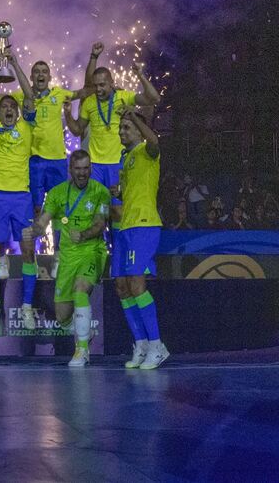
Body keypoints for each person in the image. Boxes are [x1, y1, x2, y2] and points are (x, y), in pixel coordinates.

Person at [23, 150, 109, 367]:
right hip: (68, 257)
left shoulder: (100, 192)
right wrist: (34, 231)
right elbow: (43, 222)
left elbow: (100, 224)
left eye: (86, 168)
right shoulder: (56, 193)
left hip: (92, 252)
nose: (82, 173)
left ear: (90, 168)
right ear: (70, 170)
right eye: (78, 169)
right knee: (62, 318)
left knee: (81, 290)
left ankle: (82, 350)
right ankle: (83, 330)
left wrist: (84, 234)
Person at [0, 46, 38, 330]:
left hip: (22, 198)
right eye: (3, 107)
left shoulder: (26, 127)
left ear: (16, 113)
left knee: (28, 250)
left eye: (11, 108)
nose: (7, 110)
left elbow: (29, 96)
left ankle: (27, 306)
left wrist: (15, 64)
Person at [11, 55, 96, 246]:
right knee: (35, 208)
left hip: (58, 159)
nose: (41, 75)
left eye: (44, 72)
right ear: (31, 77)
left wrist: (102, 87)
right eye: (36, 72)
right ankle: (32, 252)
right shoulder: (21, 95)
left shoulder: (59, 93)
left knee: (60, 207)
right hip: (35, 159)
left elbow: (82, 93)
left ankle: (58, 251)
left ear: (49, 77)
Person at [71, 48, 160, 215]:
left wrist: (141, 76)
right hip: (95, 165)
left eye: (102, 85)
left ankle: (120, 241)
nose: (98, 89)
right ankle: (97, 242)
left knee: (118, 210)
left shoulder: (123, 96)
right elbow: (77, 129)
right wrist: (93, 57)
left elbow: (154, 98)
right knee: (94, 211)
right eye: (96, 85)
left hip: (118, 163)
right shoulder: (89, 102)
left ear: (111, 83)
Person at [113, 110, 168, 370]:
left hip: (144, 225)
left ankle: (157, 345)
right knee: (122, 286)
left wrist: (136, 118)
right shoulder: (125, 159)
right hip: (125, 228)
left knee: (137, 282)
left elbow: (155, 141)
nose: (122, 131)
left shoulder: (148, 151)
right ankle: (141, 343)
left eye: (127, 127)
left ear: (138, 130)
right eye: (121, 127)